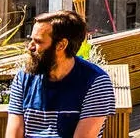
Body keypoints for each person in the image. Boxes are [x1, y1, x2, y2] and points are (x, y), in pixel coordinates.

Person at [7, 10, 117, 138]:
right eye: (31, 40)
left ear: (61, 45)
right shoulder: (23, 78)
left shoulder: (95, 82)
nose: (30, 47)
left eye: (38, 42)